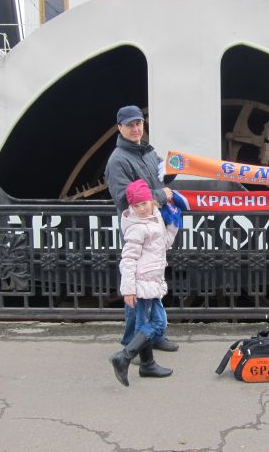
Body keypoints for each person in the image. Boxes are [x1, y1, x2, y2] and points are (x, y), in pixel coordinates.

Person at [104, 105, 179, 354]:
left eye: (139, 123)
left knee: (153, 284)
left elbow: (160, 177)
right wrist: (163, 194)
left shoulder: (147, 152)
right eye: (130, 125)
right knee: (137, 288)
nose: (136, 129)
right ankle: (130, 344)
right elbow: (124, 201)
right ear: (120, 128)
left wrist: (174, 169)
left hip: (154, 227)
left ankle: (155, 336)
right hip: (138, 230)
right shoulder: (118, 161)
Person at [109, 179, 179, 386]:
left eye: (144, 203)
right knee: (158, 323)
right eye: (136, 205)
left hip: (152, 280)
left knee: (145, 324)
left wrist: (173, 226)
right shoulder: (137, 227)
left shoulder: (154, 218)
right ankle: (124, 356)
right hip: (142, 283)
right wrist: (128, 289)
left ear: (151, 201)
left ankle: (147, 364)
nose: (141, 208)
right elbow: (128, 260)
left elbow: (164, 244)